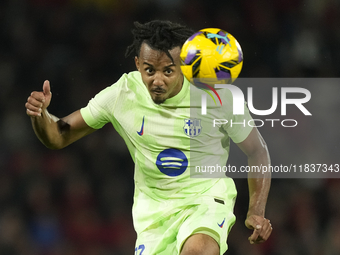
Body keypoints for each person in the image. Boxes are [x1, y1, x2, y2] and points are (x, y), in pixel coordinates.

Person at [25, 20, 272, 255]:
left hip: (205, 198)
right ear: (137, 64)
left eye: (168, 71)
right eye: (149, 70)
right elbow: (58, 136)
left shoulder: (216, 97)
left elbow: (257, 151)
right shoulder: (123, 94)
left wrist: (256, 211)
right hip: (153, 214)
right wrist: (40, 115)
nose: (158, 80)